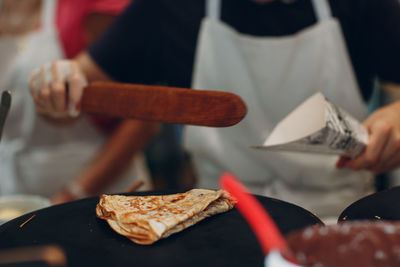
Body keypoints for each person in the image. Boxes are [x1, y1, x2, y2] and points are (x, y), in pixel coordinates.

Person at [29, 0, 400, 219]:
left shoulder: (360, 4)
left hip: (340, 212)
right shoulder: (170, 9)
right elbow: (77, 86)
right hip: (220, 218)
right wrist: (58, 84)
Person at [0, 0, 154, 204]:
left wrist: (74, 193)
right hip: (12, 194)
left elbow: (145, 117)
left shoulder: (91, 6)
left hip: (97, 196)